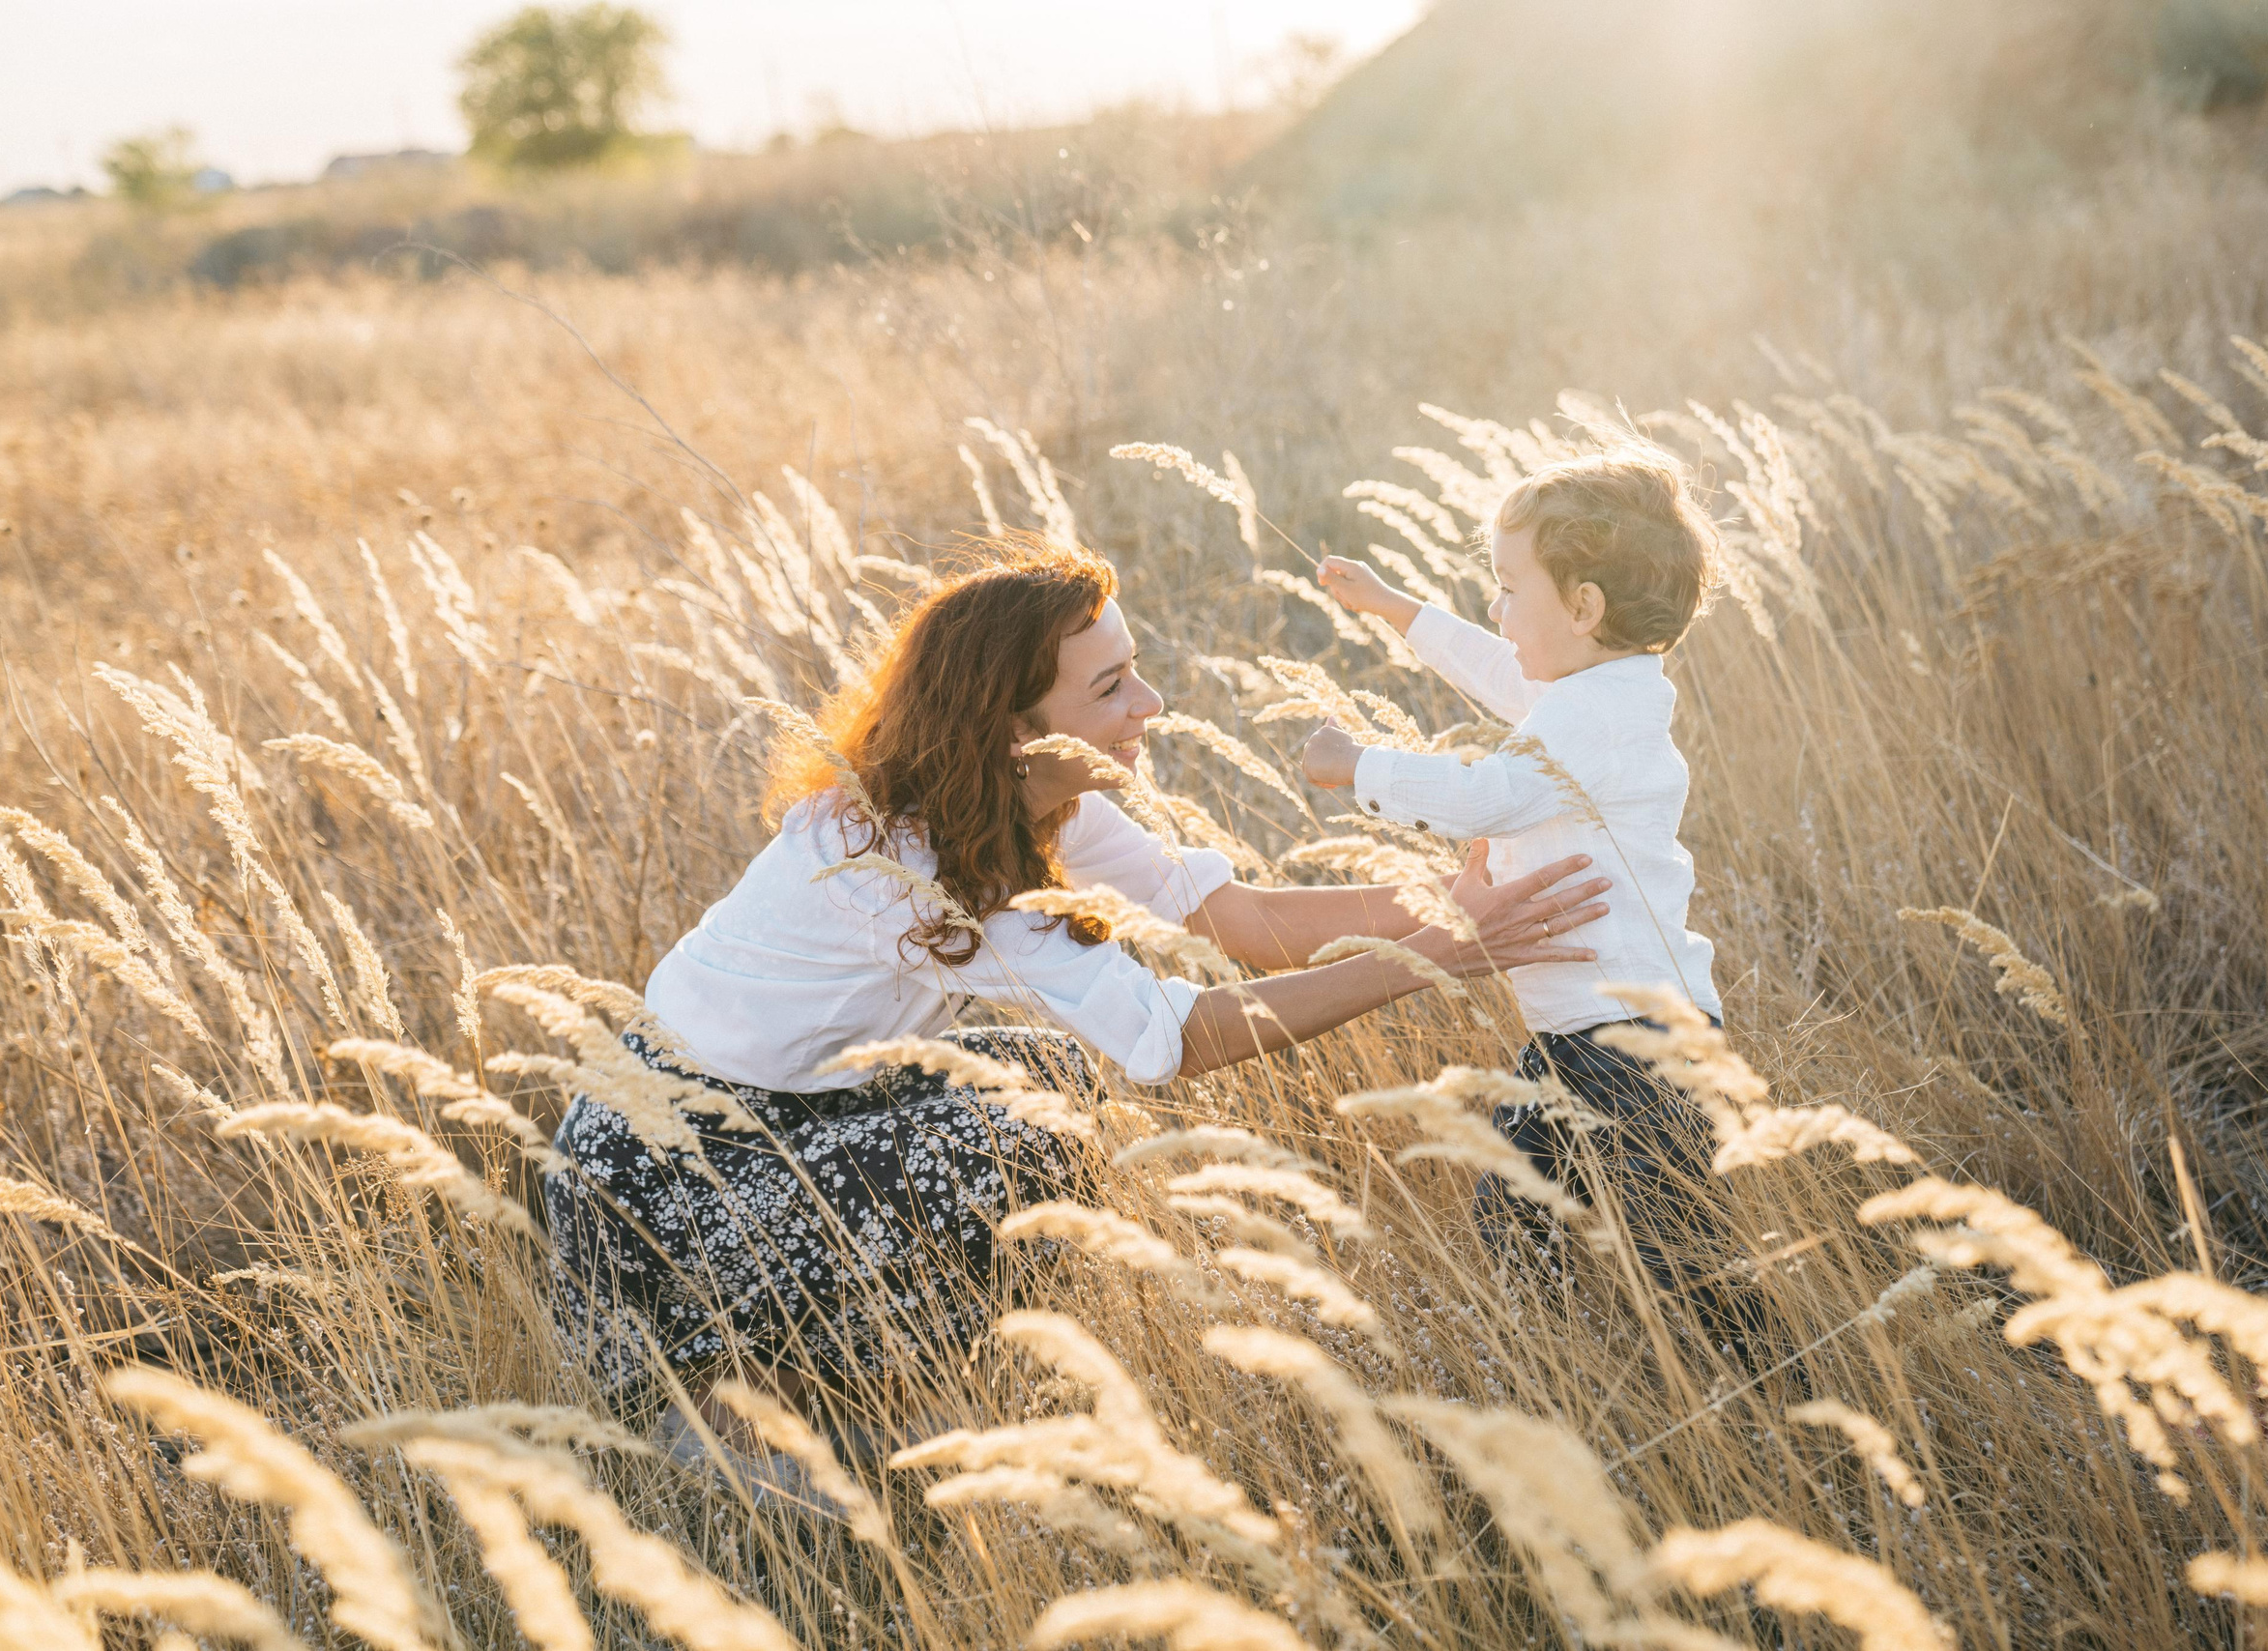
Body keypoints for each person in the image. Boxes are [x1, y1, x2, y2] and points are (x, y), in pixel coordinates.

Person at [544, 536, 1609, 1461]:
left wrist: (1442, 900)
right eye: (1109, 690)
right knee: (1014, 1133)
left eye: (1132, 672)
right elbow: (1179, 1037)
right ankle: (724, 1410)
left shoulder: (1042, 788)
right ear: (1010, 724)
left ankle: (855, 1397)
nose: (1149, 705)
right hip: (659, 1184)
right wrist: (1436, 954)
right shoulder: (908, 862)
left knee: (1045, 1085)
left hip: (784, 1123)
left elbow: (1226, 916)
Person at [1305, 449, 1739, 1324]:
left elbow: (1490, 798)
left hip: (1636, 1048)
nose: (1494, 609)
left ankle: (1758, 1395)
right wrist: (1396, 609)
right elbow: (1505, 671)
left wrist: (1361, 768)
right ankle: (1567, 1363)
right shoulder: (1594, 689)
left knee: (1680, 1267)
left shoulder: (1592, 716)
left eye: (1509, 589)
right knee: (1516, 1217)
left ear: (1584, 608)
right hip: (1578, 1037)